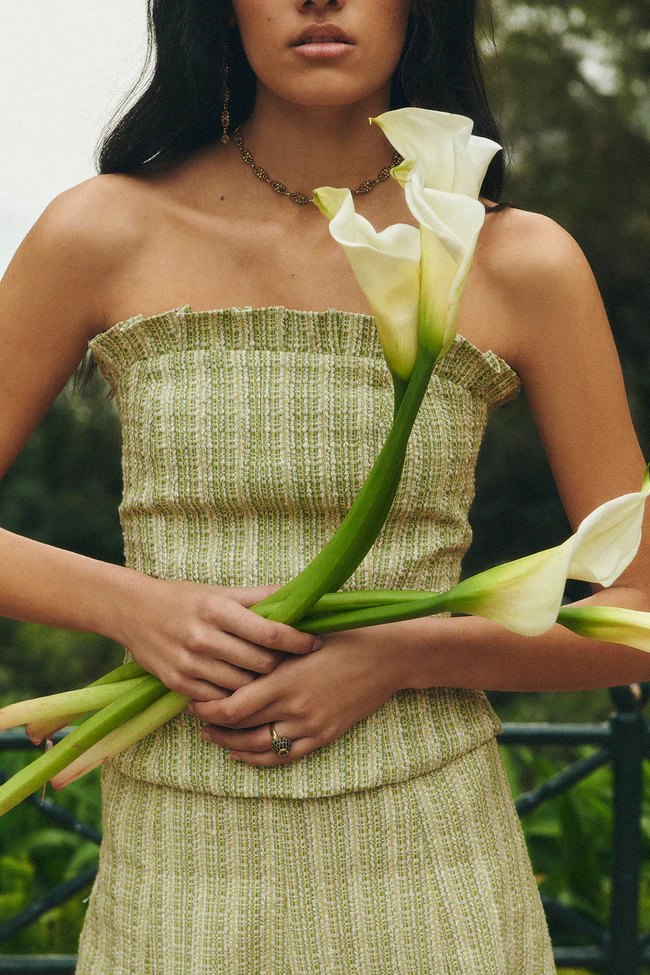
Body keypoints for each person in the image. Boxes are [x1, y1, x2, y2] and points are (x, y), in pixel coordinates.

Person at [2, 0, 649, 971]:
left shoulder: (521, 260)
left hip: (434, 872)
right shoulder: (102, 229)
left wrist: (396, 656)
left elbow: (638, 612)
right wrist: (136, 610)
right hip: (176, 877)